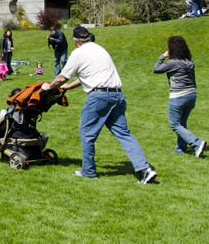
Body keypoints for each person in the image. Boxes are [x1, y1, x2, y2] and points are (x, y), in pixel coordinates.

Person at [42, 26, 157, 184]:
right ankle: (145, 169)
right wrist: (69, 87)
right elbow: (91, 74)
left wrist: (49, 86)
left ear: (75, 40)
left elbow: (62, 77)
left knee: (86, 132)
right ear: (88, 37)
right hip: (117, 95)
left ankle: (88, 171)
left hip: (100, 97)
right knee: (124, 134)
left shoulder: (78, 53)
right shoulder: (100, 49)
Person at [153, 36, 206, 157]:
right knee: (182, 123)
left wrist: (163, 56)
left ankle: (197, 143)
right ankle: (180, 149)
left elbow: (156, 69)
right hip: (191, 95)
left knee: (175, 124)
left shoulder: (173, 63)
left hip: (178, 96)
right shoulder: (189, 62)